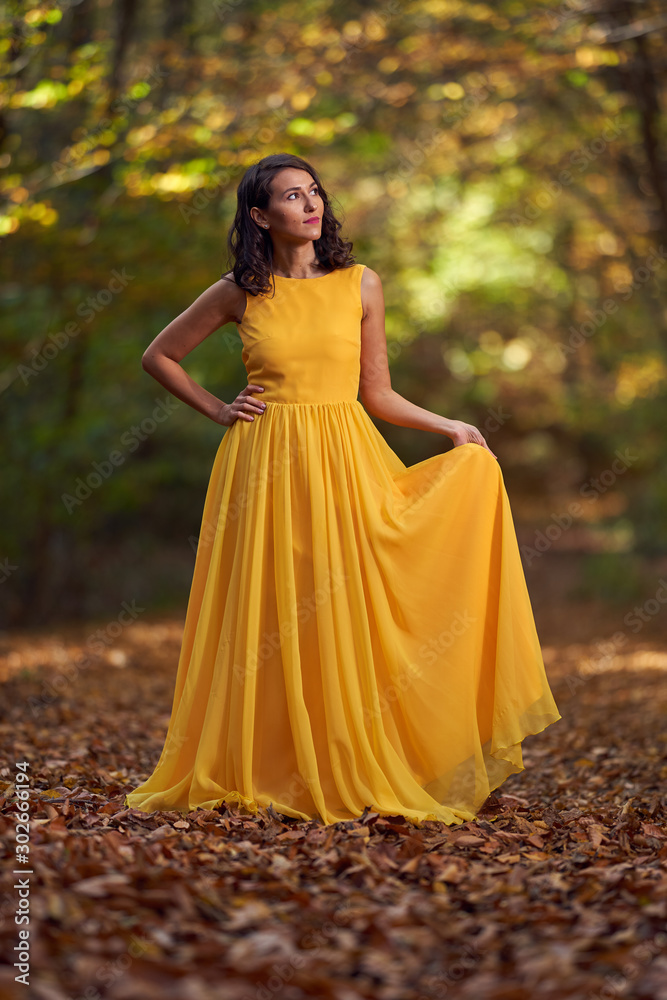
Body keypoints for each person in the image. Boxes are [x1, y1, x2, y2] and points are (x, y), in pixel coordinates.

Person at [125, 152, 561, 826]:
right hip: (263, 463)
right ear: (258, 215)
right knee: (272, 612)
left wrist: (448, 425)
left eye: (314, 192)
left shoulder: (359, 284)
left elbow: (376, 392)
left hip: (344, 457)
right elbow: (159, 355)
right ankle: (268, 762)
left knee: (347, 603)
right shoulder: (239, 289)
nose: (310, 204)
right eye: (291, 196)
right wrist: (217, 410)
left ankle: (351, 754)